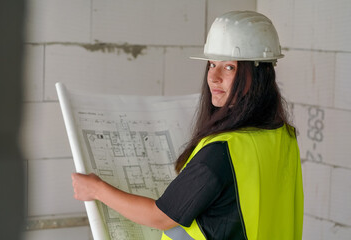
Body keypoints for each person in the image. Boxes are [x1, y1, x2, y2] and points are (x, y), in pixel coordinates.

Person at [72, 11, 304, 240]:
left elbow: (161, 217)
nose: (213, 77)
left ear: (259, 73)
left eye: (229, 67)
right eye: (212, 64)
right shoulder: (284, 137)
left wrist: (96, 190)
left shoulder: (221, 152)